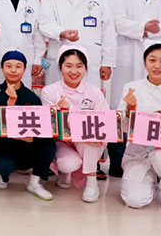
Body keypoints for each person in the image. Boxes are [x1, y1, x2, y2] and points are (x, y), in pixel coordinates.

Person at [108, 0, 161, 177]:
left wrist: (156, 28)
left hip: (158, 53)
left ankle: (160, 159)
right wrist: (143, 27)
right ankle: (118, 161)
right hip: (128, 54)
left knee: (159, 102)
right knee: (122, 106)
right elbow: (117, 22)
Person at [0, 50, 57, 201]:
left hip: (25, 147)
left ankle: (34, 183)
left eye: (18, 66)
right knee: (4, 167)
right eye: (8, 66)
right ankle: (0, 172)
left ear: (24, 69)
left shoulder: (32, 97)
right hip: (1, 147)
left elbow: (39, 128)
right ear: (2, 68)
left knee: (48, 142)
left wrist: (30, 138)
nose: (13, 70)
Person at [40, 45, 108, 203]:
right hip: (62, 141)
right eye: (68, 66)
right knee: (68, 163)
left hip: (89, 142)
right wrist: (62, 114)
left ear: (85, 68)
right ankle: (65, 173)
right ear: (60, 67)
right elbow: (51, 126)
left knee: (89, 139)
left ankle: (92, 183)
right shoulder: (49, 92)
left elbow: (104, 121)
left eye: (79, 66)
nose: (74, 71)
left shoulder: (94, 92)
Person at [38, 0, 116, 87]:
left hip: (91, 58)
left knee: (89, 97)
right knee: (58, 97)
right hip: (60, 56)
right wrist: (62, 33)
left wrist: (107, 62)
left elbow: (108, 30)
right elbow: (45, 23)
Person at [119, 43, 161, 212]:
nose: (157, 66)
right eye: (152, 60)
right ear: (145, 62)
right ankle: (154, 181)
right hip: (139, 153)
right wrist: (130, 110)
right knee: (134, 200)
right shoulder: (132, 88)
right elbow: (122, 127)